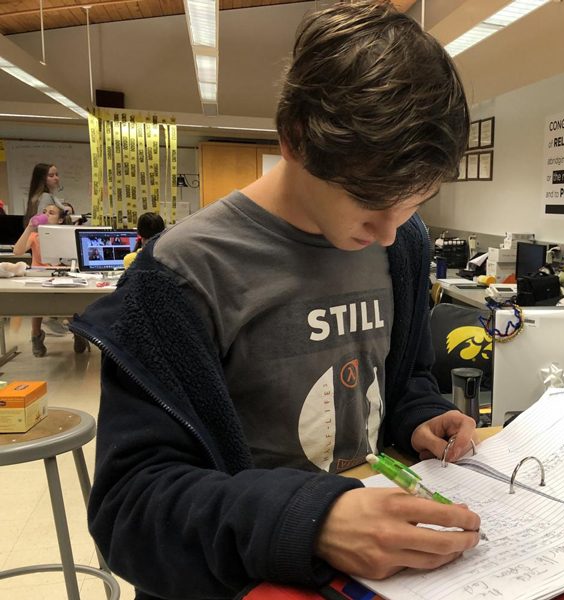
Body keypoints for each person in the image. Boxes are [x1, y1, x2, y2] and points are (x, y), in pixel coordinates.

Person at [73, 3, 476, 599]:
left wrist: (416, 413)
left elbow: (401, 374)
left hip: (369, 574)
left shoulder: (404, 245)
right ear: (293, 141)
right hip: (246, 579)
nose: (391, 229)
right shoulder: (180, 274)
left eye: (415, 201)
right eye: (369, 201)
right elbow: (131, 511)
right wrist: (311, 522)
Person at [13, 201, 74, 356]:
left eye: (51, 213)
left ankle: (78, 333)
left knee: (68, 305)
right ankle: (36, 335)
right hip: (39, 276)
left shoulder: (66, 235)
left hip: (62, 276)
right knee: (37, 304)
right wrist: (29, 227)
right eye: (44, 212)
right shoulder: (35, 236)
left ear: (60, 220)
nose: (45, 215)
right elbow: (18, 251)